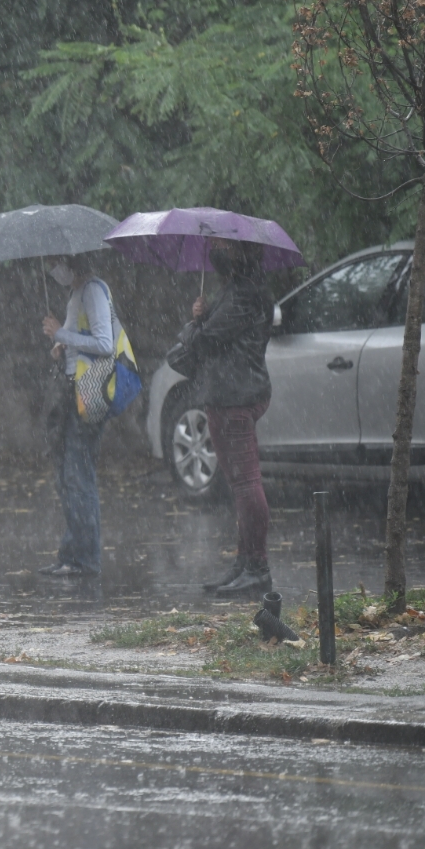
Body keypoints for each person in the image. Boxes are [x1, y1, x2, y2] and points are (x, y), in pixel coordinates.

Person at [177, 239, 276, 597]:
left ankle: (257, 567)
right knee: (240, 485)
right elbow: (213, 333)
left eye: (222, 245)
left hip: (234, 396)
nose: (214, 250)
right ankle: (245, 562)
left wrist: (193, 326)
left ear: (240, 252)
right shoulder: (241, 292)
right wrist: (202, 318)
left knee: (246, 483)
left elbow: (204, 342)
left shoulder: (242, 295)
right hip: (232, 393)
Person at [37, 254, 117, 579]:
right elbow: (75, 343)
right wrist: (60, 345)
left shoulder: (94, 291)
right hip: (72, 391)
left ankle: (86, 560)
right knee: (66, 476)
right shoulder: (76, 293)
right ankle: (70, 555)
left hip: (89, 392)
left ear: (73, 261)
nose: (53, 268)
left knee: (78, 475)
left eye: (57, 261)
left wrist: (62, 335)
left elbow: (104, 344)